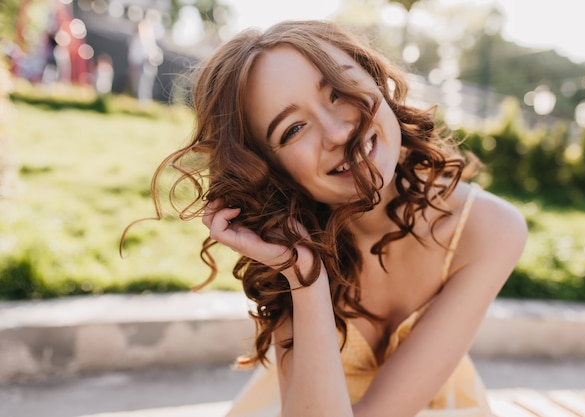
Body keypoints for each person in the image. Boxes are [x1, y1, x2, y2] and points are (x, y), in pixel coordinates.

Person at [141, 20, 527, 417]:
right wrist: (304, 277)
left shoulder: (489, 230)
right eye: (292, 130)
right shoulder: (288, 243)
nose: (338, 132)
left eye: (339, 92)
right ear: (269, 169)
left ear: (376, 81)